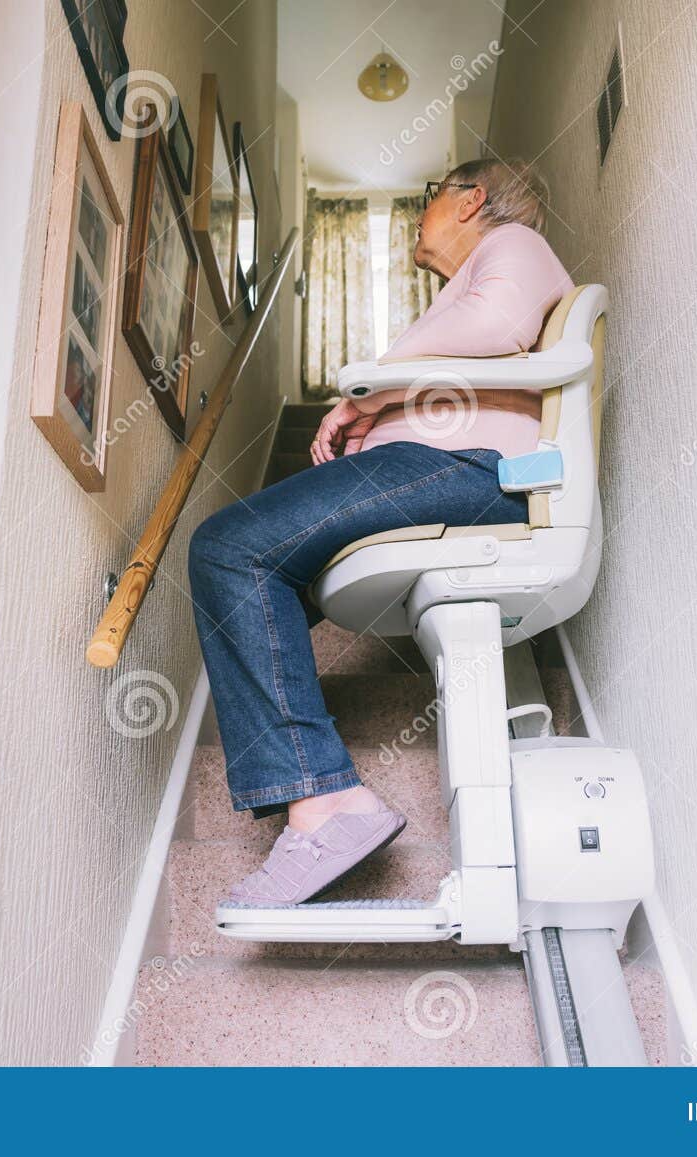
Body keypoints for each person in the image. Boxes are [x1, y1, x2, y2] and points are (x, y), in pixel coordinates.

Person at [187, 157, 574, 905]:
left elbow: (496, 324)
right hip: (449, 465)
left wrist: (369, 385)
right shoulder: (477, 275)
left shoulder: (515, 244)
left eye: (433, 197)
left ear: (473, 199)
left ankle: (326, 801)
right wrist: (378, 398)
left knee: (230, 546)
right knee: (255, 572)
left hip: (465, 465)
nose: (422, 215)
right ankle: (316, 792)